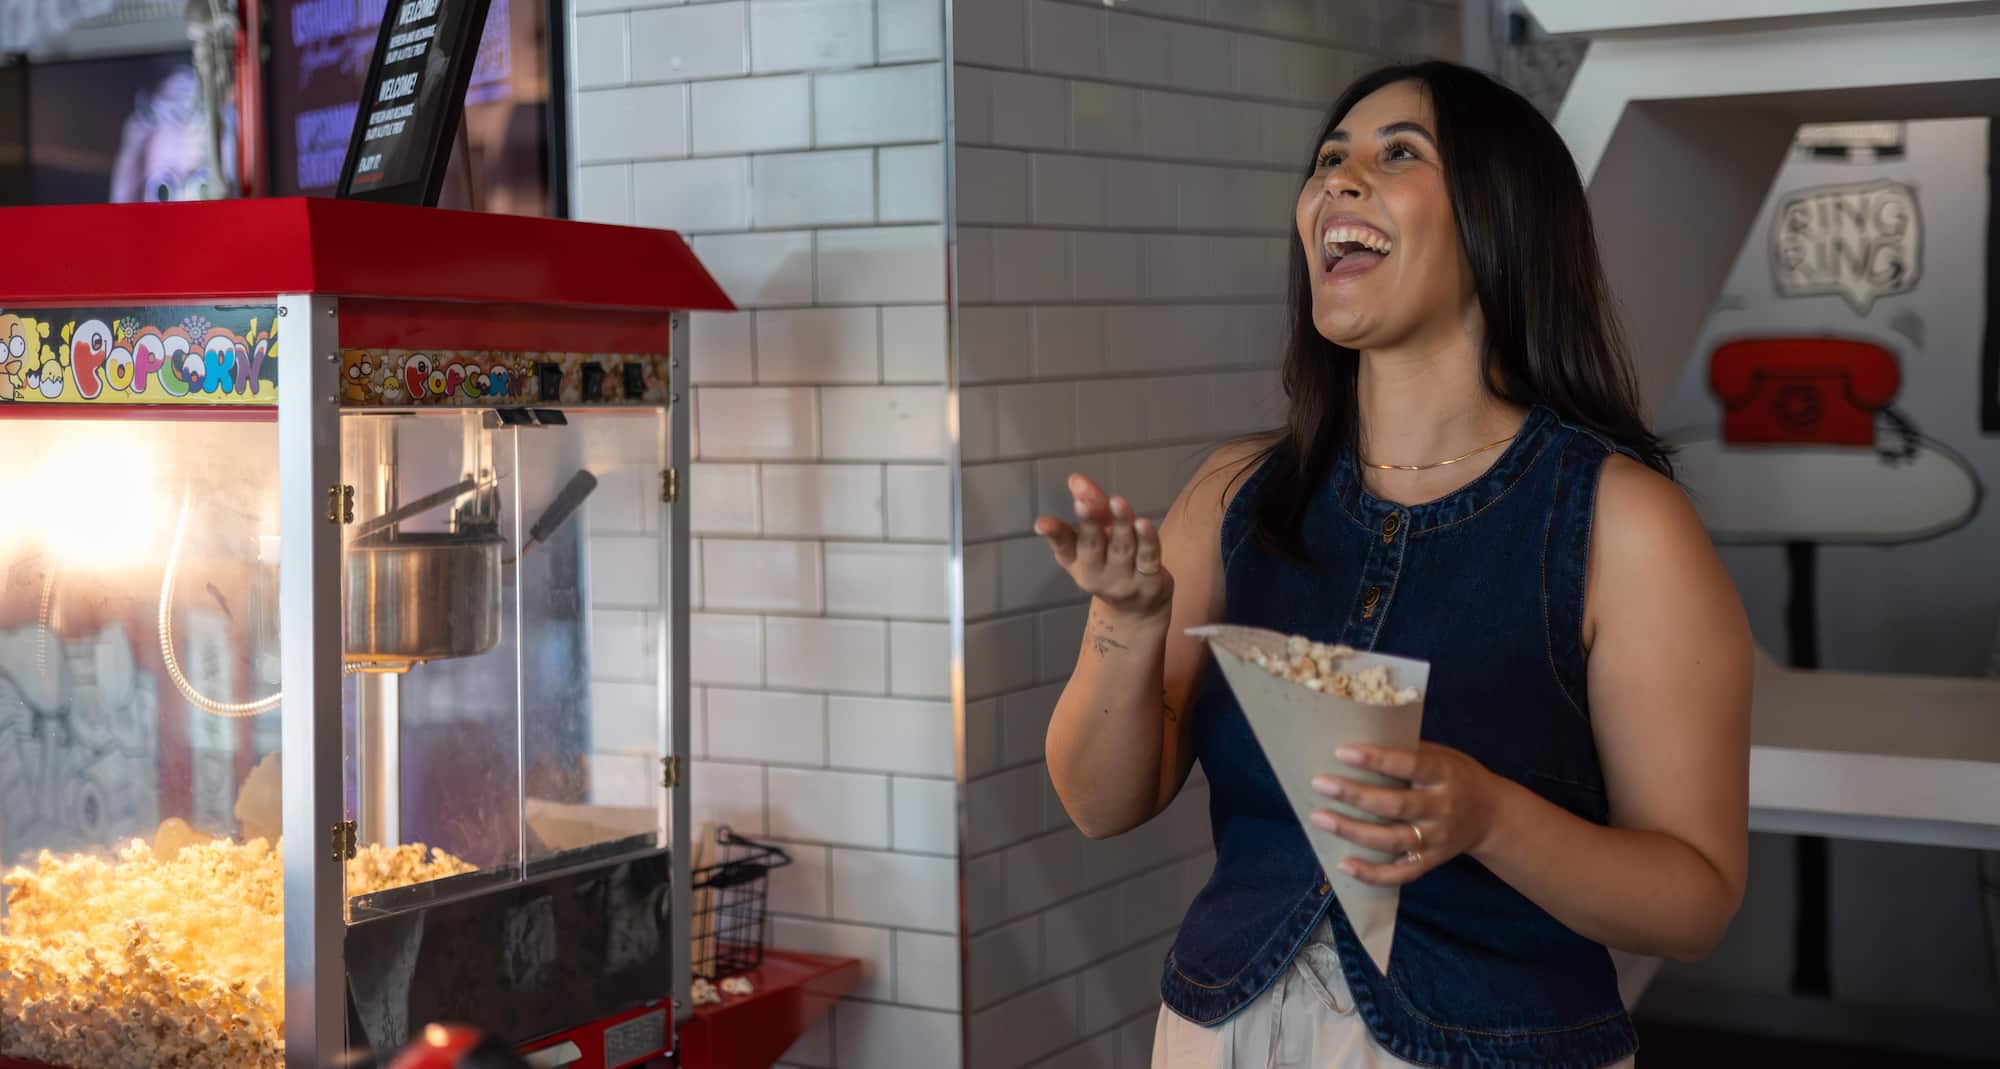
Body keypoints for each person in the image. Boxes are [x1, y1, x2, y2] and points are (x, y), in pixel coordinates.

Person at [1036, 61, 1751, 1069]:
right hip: (1217, 1037)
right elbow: (1098, 804)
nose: (1338, 179)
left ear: (1500, 219)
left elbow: (1694, 901)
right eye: (1330, 158)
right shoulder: (1233, 492)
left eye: (1397, 154)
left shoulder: (1624, 523)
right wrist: (1125, 623)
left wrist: (1488, 815)